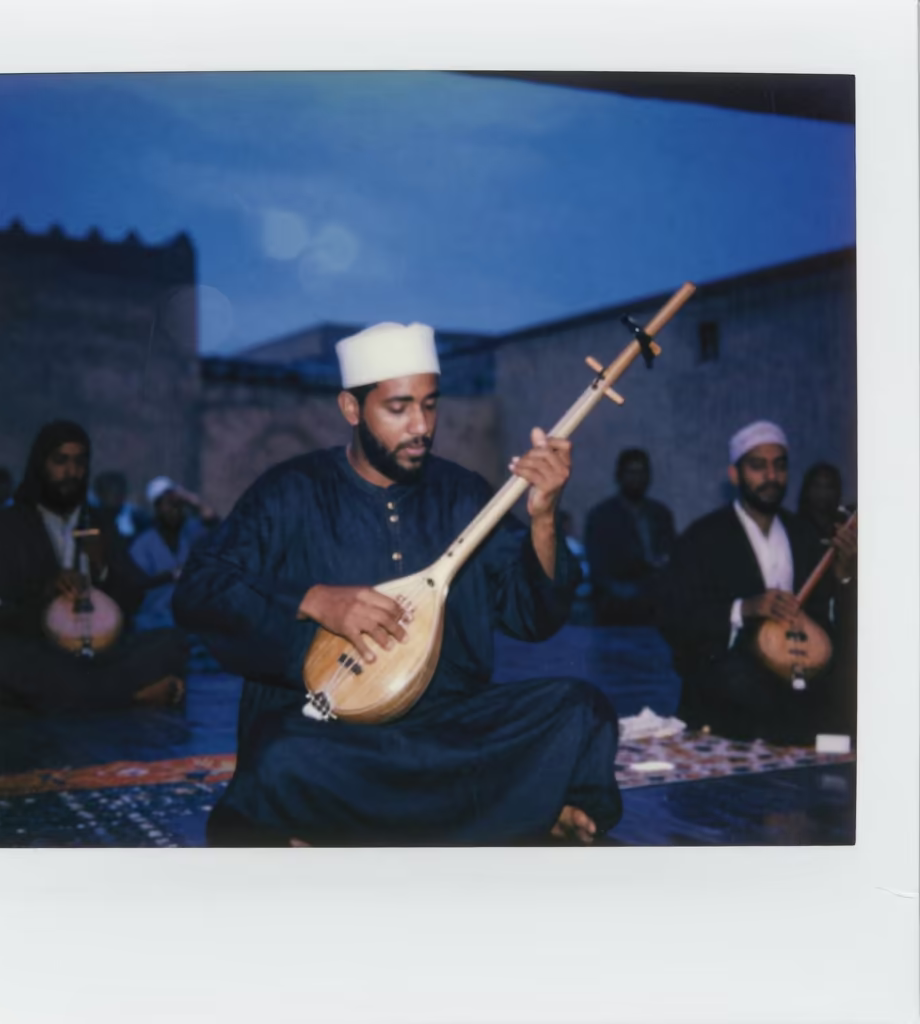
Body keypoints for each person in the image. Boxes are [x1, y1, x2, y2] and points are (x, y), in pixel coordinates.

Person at [174, 321, 623, 847]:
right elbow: (199, 589)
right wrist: (314, 601)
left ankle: (349, 829)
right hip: (338, 735)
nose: (421, 426)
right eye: (399, 407)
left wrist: (544, 518)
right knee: (280, 752)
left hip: (450, 728)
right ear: (351, 409)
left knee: (580, 709)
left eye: (430, 405)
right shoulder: (289, 492)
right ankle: (513, 812)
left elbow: (534, 615)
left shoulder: (464, 495)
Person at [655, 421, 857, 745]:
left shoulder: (804, 535)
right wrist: (744, 608)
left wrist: (843, 575)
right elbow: (674, 617)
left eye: (779, 466)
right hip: (730, 677)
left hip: (799, 675)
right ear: (735, 475)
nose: (771, 477)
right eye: (758, 466)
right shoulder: (703, 537)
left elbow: (829, 618)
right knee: (741, 684)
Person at [0, 421, 187, 713]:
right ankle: (130, 697)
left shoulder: (99, 522)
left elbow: (133, 595)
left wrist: (102, 569)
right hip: (38, 646)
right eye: (60, 461)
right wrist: (45, 588)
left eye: (79, 462)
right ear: (40, 464)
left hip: (99, 651)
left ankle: (88, 696)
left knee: (171, 642)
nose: (71, 472)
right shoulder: (6, 524)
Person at [584, 449, 675, 625]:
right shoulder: (601, 516)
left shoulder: (660, 514)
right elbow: (599, 570)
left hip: (656, 603)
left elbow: (671, 554)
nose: (637, 478)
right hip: (615, 608)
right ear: (619, 476)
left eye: (642, 472)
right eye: (631, 472)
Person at [129, 476, 217, 632]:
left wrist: (193, 501)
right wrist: (171, 575)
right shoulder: (143, 543)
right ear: (157, 508)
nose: (175, 511)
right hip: (154, 620)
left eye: (178, 505)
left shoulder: (190, 533)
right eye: (169, 505)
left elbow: (213, 522)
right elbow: (137, 582)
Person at [92, 470, 150, 540]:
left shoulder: (137, 518)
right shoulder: (90, 517)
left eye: (119, 491)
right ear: (100, 494)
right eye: (110, 492)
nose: (116, 496)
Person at [797, 462, 845, 541]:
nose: (823, 492)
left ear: (837, 491)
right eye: (817, 486)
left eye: (829, 487)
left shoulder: (845, 527)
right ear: (807, 490)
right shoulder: (796, 528)